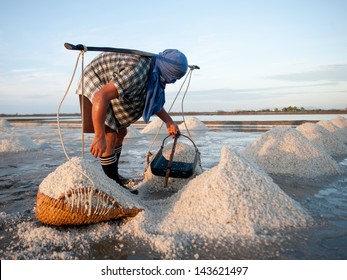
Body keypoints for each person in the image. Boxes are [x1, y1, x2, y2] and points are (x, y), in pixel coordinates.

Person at [76, 48, 188, 194]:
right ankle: (113, 188)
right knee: (109, 134)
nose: (172, 81)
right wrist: (99, 135)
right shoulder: (137, 71)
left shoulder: (155, 70)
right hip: (94, 81)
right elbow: (100, 97)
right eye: (173, 77)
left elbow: (152, 100)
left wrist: (169, 122)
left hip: (106, 83)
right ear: (168, 70)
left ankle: (113, 176)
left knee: (121, 131)